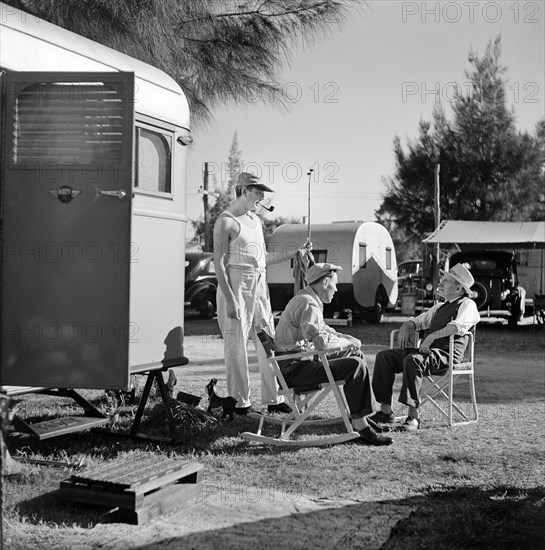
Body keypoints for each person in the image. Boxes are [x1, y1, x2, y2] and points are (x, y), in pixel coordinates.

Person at [213, 172, 310, 415]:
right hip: (236, 284)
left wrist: (292, 253)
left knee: (268, 341)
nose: (262, 197)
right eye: (258, 192)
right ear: (243, 191)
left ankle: (274, 399)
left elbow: (262, 258)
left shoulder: (255, 220)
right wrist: (232, 299)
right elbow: (219, 264)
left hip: (259, 283)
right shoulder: (226, 221)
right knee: (236, 347)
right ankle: (239, 403)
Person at [274, 262, 393, 446]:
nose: (336, 289)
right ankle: (360, 426)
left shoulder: (308, 299)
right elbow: (321, 342)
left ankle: (360, 417)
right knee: (355, 365)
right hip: (295, 370)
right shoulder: (308, 303)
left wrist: (346, 338)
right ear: (324, 282)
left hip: (298, 363)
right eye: (334, 284)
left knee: (357, 355)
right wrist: (347, 342)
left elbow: (323, 330)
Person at [370, 263, 480, 431]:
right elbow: (418, 321)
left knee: (413, 360)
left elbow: (456, 327)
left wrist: (431, 337)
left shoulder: (467, 304)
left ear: (458, 288)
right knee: (385, 357)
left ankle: (413, 417)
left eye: (446, 281)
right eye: (442, 279)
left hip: (447, 354)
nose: (441, 283)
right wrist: (407, 326)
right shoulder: (439, 307)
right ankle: (385, 411)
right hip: (427, 353)